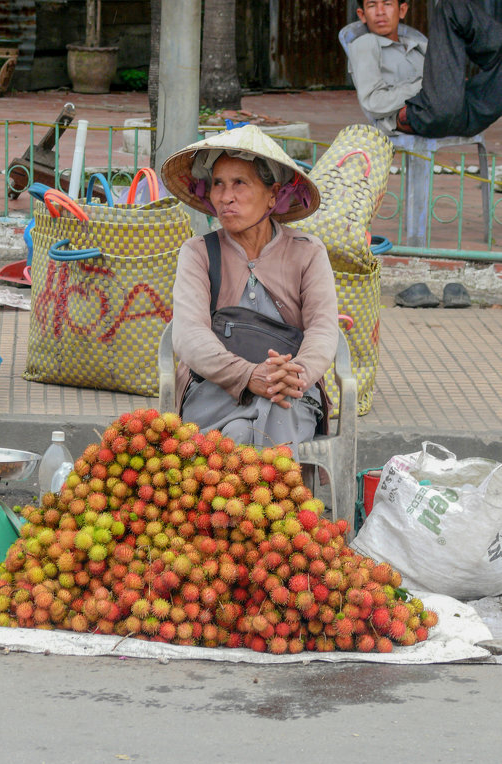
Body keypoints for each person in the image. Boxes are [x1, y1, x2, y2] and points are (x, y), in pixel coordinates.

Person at [160, 125, 338, 461]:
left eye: (239, 184)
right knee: (248, 438)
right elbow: (189, 336)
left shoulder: (308, 252)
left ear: (272, 194)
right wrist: (247, 375)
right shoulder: (198, 252)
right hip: (215, 390)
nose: (226, 197)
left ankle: (238, 512)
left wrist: (295, 374)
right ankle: (283, 511)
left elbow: (323, 329)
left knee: (247, 433)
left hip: (290, 391)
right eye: (218, 184)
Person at [348, 0, 502, 138]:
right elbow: (373, 102)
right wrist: (431, 85)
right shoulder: (365, 44)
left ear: (402, 10)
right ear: (362, 15)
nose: (380, 12)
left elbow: (442, 84)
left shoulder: (417, 44)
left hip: (462, 114)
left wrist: (449, 87)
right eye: (372, 5)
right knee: (449, 7)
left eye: (387, 4)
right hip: (422, 115)